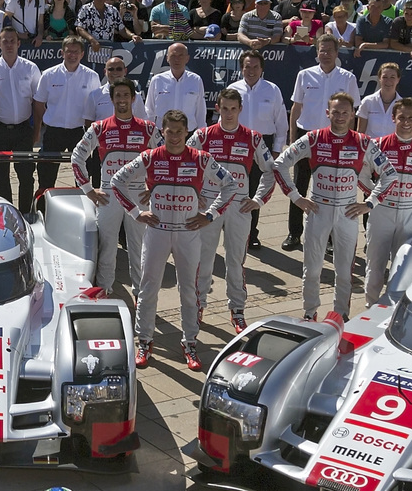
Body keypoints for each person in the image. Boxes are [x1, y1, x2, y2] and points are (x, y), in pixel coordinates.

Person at [107, 110, 232, 370]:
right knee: (147, 287)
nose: (174, 136)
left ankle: (190, 342)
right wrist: (136, 213)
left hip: (189, 234)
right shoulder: (151, 156)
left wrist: (209, 215)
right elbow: (117, 181)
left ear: (187, 132)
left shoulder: (201, 158)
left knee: (189, 290)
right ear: (162, 132)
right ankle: (144, 340)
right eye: (170, 131)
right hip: (157, 231)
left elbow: (230, 185)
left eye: (179, 131)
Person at [275, 92, 372, 322]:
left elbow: (389, 175)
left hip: (347, 213)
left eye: (344, 113)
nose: (339, 117)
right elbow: (279, 165)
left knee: (344, 271)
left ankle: (341, 315)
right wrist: (296, 198)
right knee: (312, 268)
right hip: (318, 210)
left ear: (352, 115)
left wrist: (369, 203)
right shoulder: (314, 138)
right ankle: (310, 313)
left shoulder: (362, 141)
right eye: (335, 112)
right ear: (327, 113)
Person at [195, 88, 270, 332]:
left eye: (233, 108)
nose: (228, 113)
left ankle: (237, 310)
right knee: (203, 259)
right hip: (209, 207)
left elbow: (271, 170)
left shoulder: (252, 137)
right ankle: (198, 304)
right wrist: (195, 196)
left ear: (240, 109)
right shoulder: (203, 135)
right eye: (224, 108)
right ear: (217, 108)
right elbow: (184, 160)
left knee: (236, 260)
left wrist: (258, 200)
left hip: (239, 206)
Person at [74, 79, 154, 294]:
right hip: (109, 194)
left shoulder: (147, 128)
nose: (121, 100)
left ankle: (141, 292)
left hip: (138, 192)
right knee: (107, 246)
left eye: (125, 95)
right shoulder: (99, 127)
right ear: (111, 99)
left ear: (133, 98)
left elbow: (164, 158)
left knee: (138, 247)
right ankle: (105, 288)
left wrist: (153, 189)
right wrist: (89, 190)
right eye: (117, 96)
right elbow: (77, 157)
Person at [361, 96, 412, 303]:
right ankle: (370, 304)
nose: (406, 122)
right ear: (393, 118)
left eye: (411, 118)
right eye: (401, 117)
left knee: (403, 265)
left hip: (410, 214)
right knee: (375, 263)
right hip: (381, 212)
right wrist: (376, 196)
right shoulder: (377, 145)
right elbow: (361, 174)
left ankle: (394, 307)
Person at [285, 35, 359, 250]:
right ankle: (294, 233)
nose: (325, 54)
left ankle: (329, 239)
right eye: (322, 50)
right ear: (316, 52)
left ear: (337, 53)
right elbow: (295, 109)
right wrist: (292, 140)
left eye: (329, 50)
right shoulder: (304, 75)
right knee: (298, 186)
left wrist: (349, 142)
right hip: (306, 137)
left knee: (330, 189)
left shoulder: (347, 78)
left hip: (335, 140)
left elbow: (352, 114)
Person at [0, 28, 39, 209]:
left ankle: (26, 213)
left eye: (12, 40)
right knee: (0, 175)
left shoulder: (30, 68)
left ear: (18, 43)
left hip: (23, 130)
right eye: (5, 41)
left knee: (26, 174)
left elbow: (38, 102)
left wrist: (36, 131)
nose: (9, 44)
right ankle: (5, 213)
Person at [33, 36, 101, 194]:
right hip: (53, 132)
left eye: (76, 51)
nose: (72, 55)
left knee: (82, 178)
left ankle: (83, 212)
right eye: (68, 51)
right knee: (46, 176)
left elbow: (95, 105)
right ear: (62, 53)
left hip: (79, 132)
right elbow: (38, 102)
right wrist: (42, 124)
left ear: (82, 54)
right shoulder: (49, 75)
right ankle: (43, 209)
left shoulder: (91, 76)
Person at [145, 41, 206, 136]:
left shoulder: (196, 80)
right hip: (162, 134)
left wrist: (202, 134)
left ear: (187, 58)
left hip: (189, 134)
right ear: (167, 58)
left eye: (181, 55)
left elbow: (200, 111)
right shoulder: (157, 80)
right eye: (173, 56)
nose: (177, 59)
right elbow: (149, 110)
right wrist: (150, 134)